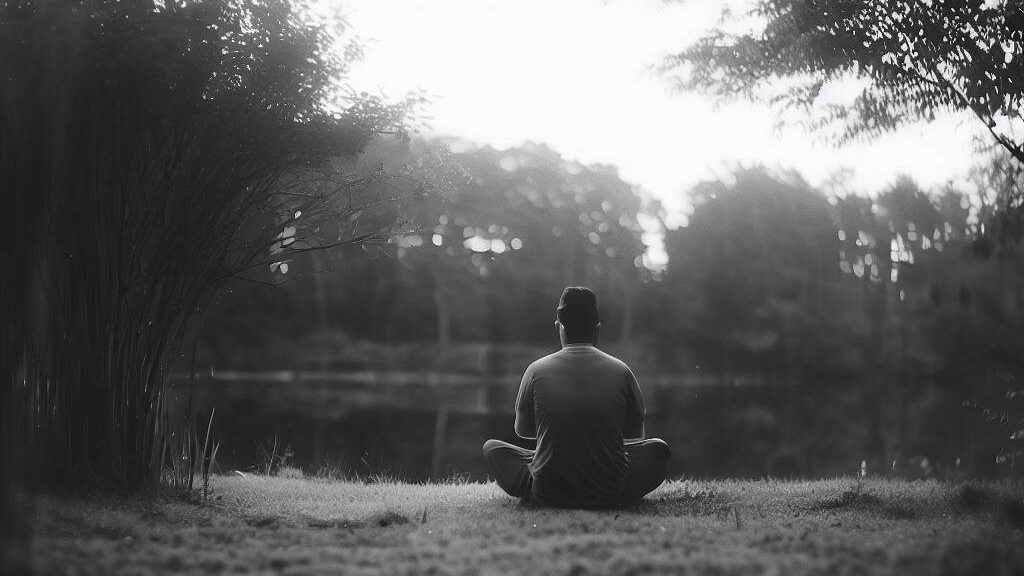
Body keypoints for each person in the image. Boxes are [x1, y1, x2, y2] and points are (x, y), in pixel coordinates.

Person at [481, 286, 670, 508]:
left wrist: (560, 435)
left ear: (558, 327)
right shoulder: (621, 370)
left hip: (547, 489)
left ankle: (546, 478)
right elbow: (634, 435)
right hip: (612, 488)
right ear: (597, 329)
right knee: (658, 448)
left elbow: (522, 430)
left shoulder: (535, 370)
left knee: (492, 448)